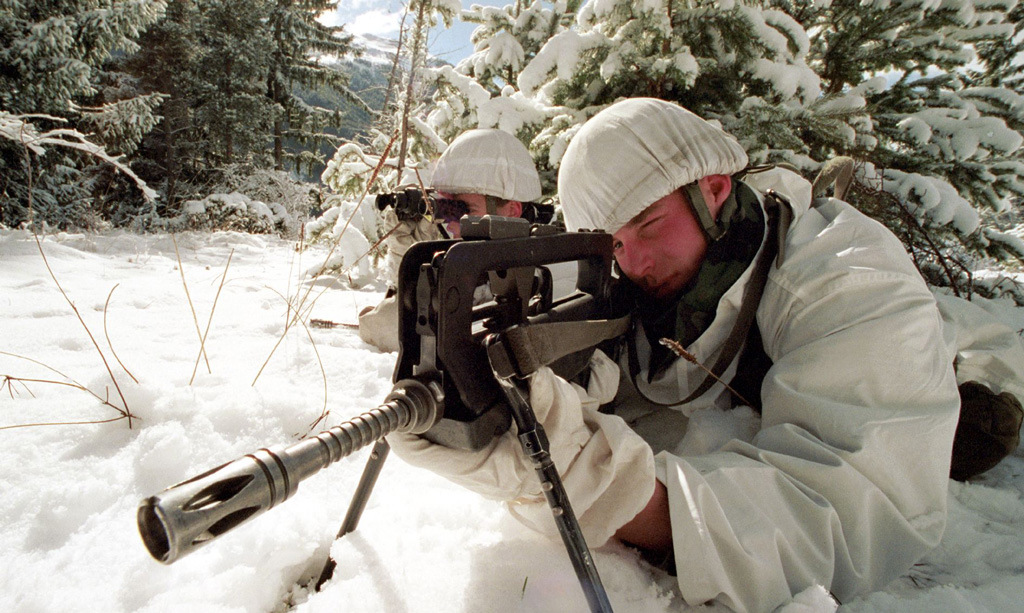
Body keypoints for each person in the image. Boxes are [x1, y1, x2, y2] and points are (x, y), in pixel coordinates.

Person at [386, 98, 1024, 611]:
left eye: (648, 225)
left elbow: (845, 524)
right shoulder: (650, 270)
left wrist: (600, 481)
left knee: (980, 426)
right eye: (612, 243)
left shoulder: (847, 276)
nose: (630, 261)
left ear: (714, 189)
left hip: (917, 379)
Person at [358, 128, 544, 352]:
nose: (453, 222)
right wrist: (408, 263)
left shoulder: (539, 269)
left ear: (512, 211)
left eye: (465, 209)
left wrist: (407, 298)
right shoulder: (497, 254)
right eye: (448, 209)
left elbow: (391, 327)